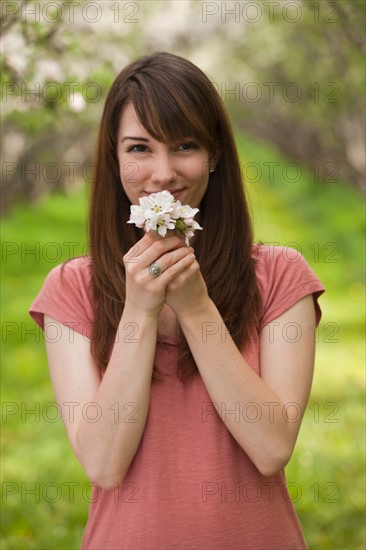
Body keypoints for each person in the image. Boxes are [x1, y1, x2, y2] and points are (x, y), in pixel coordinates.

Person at [29, 52, 325, 550]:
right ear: (114, 158)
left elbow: (272, 447)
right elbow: (103, 464)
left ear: (213, 155)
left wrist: (195, 307)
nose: (162, 173)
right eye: (140, 148)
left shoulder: (279, 276)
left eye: (185, 145)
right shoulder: (72, 289)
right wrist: (140, 310)